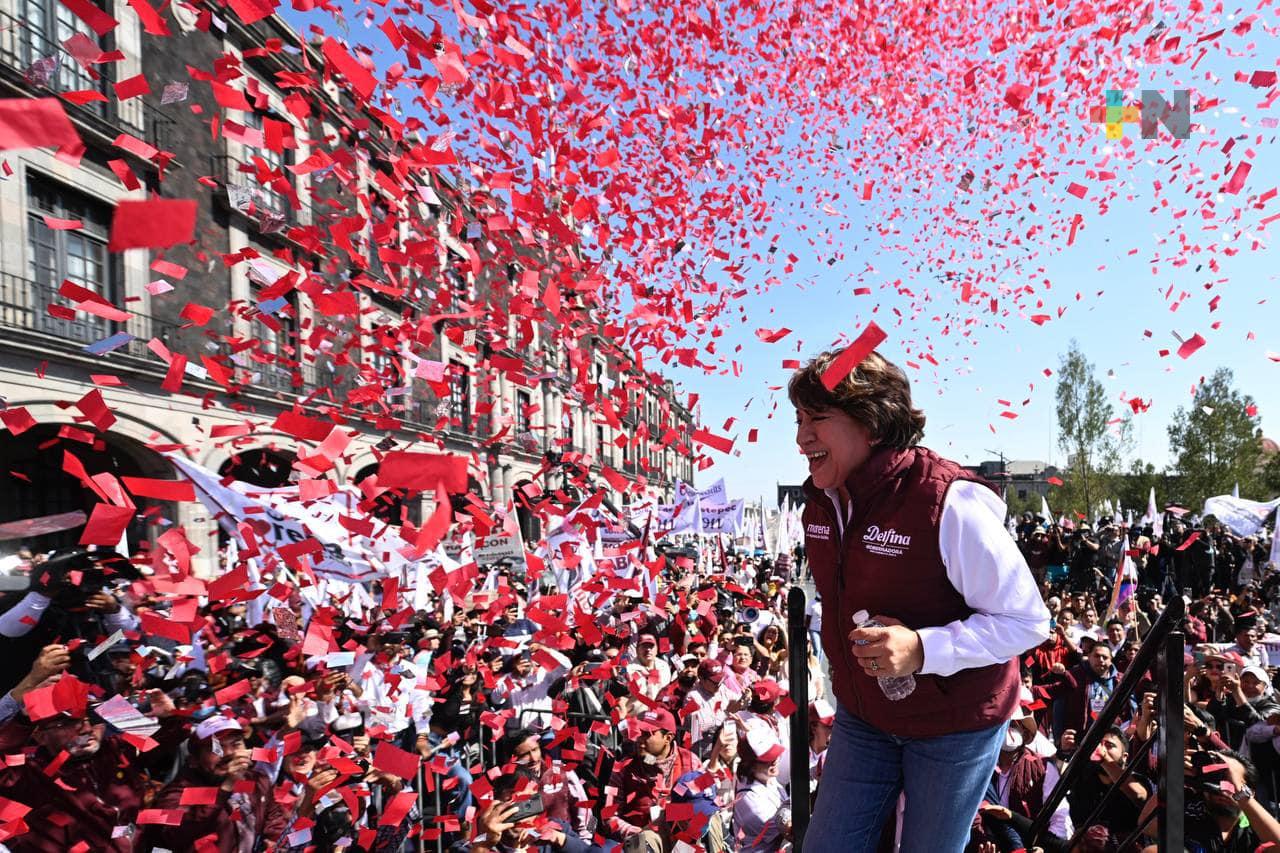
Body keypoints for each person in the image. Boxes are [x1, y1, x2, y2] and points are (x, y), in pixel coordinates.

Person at [791, 350, 1050, 851]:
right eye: (799, 419)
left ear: (872, 421)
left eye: (817, 419)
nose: (801, 437)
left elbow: (1026, 621)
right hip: (865, 717)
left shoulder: (949, 501)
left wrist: (922, 648)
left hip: (955, 726)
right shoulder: (821, 503)